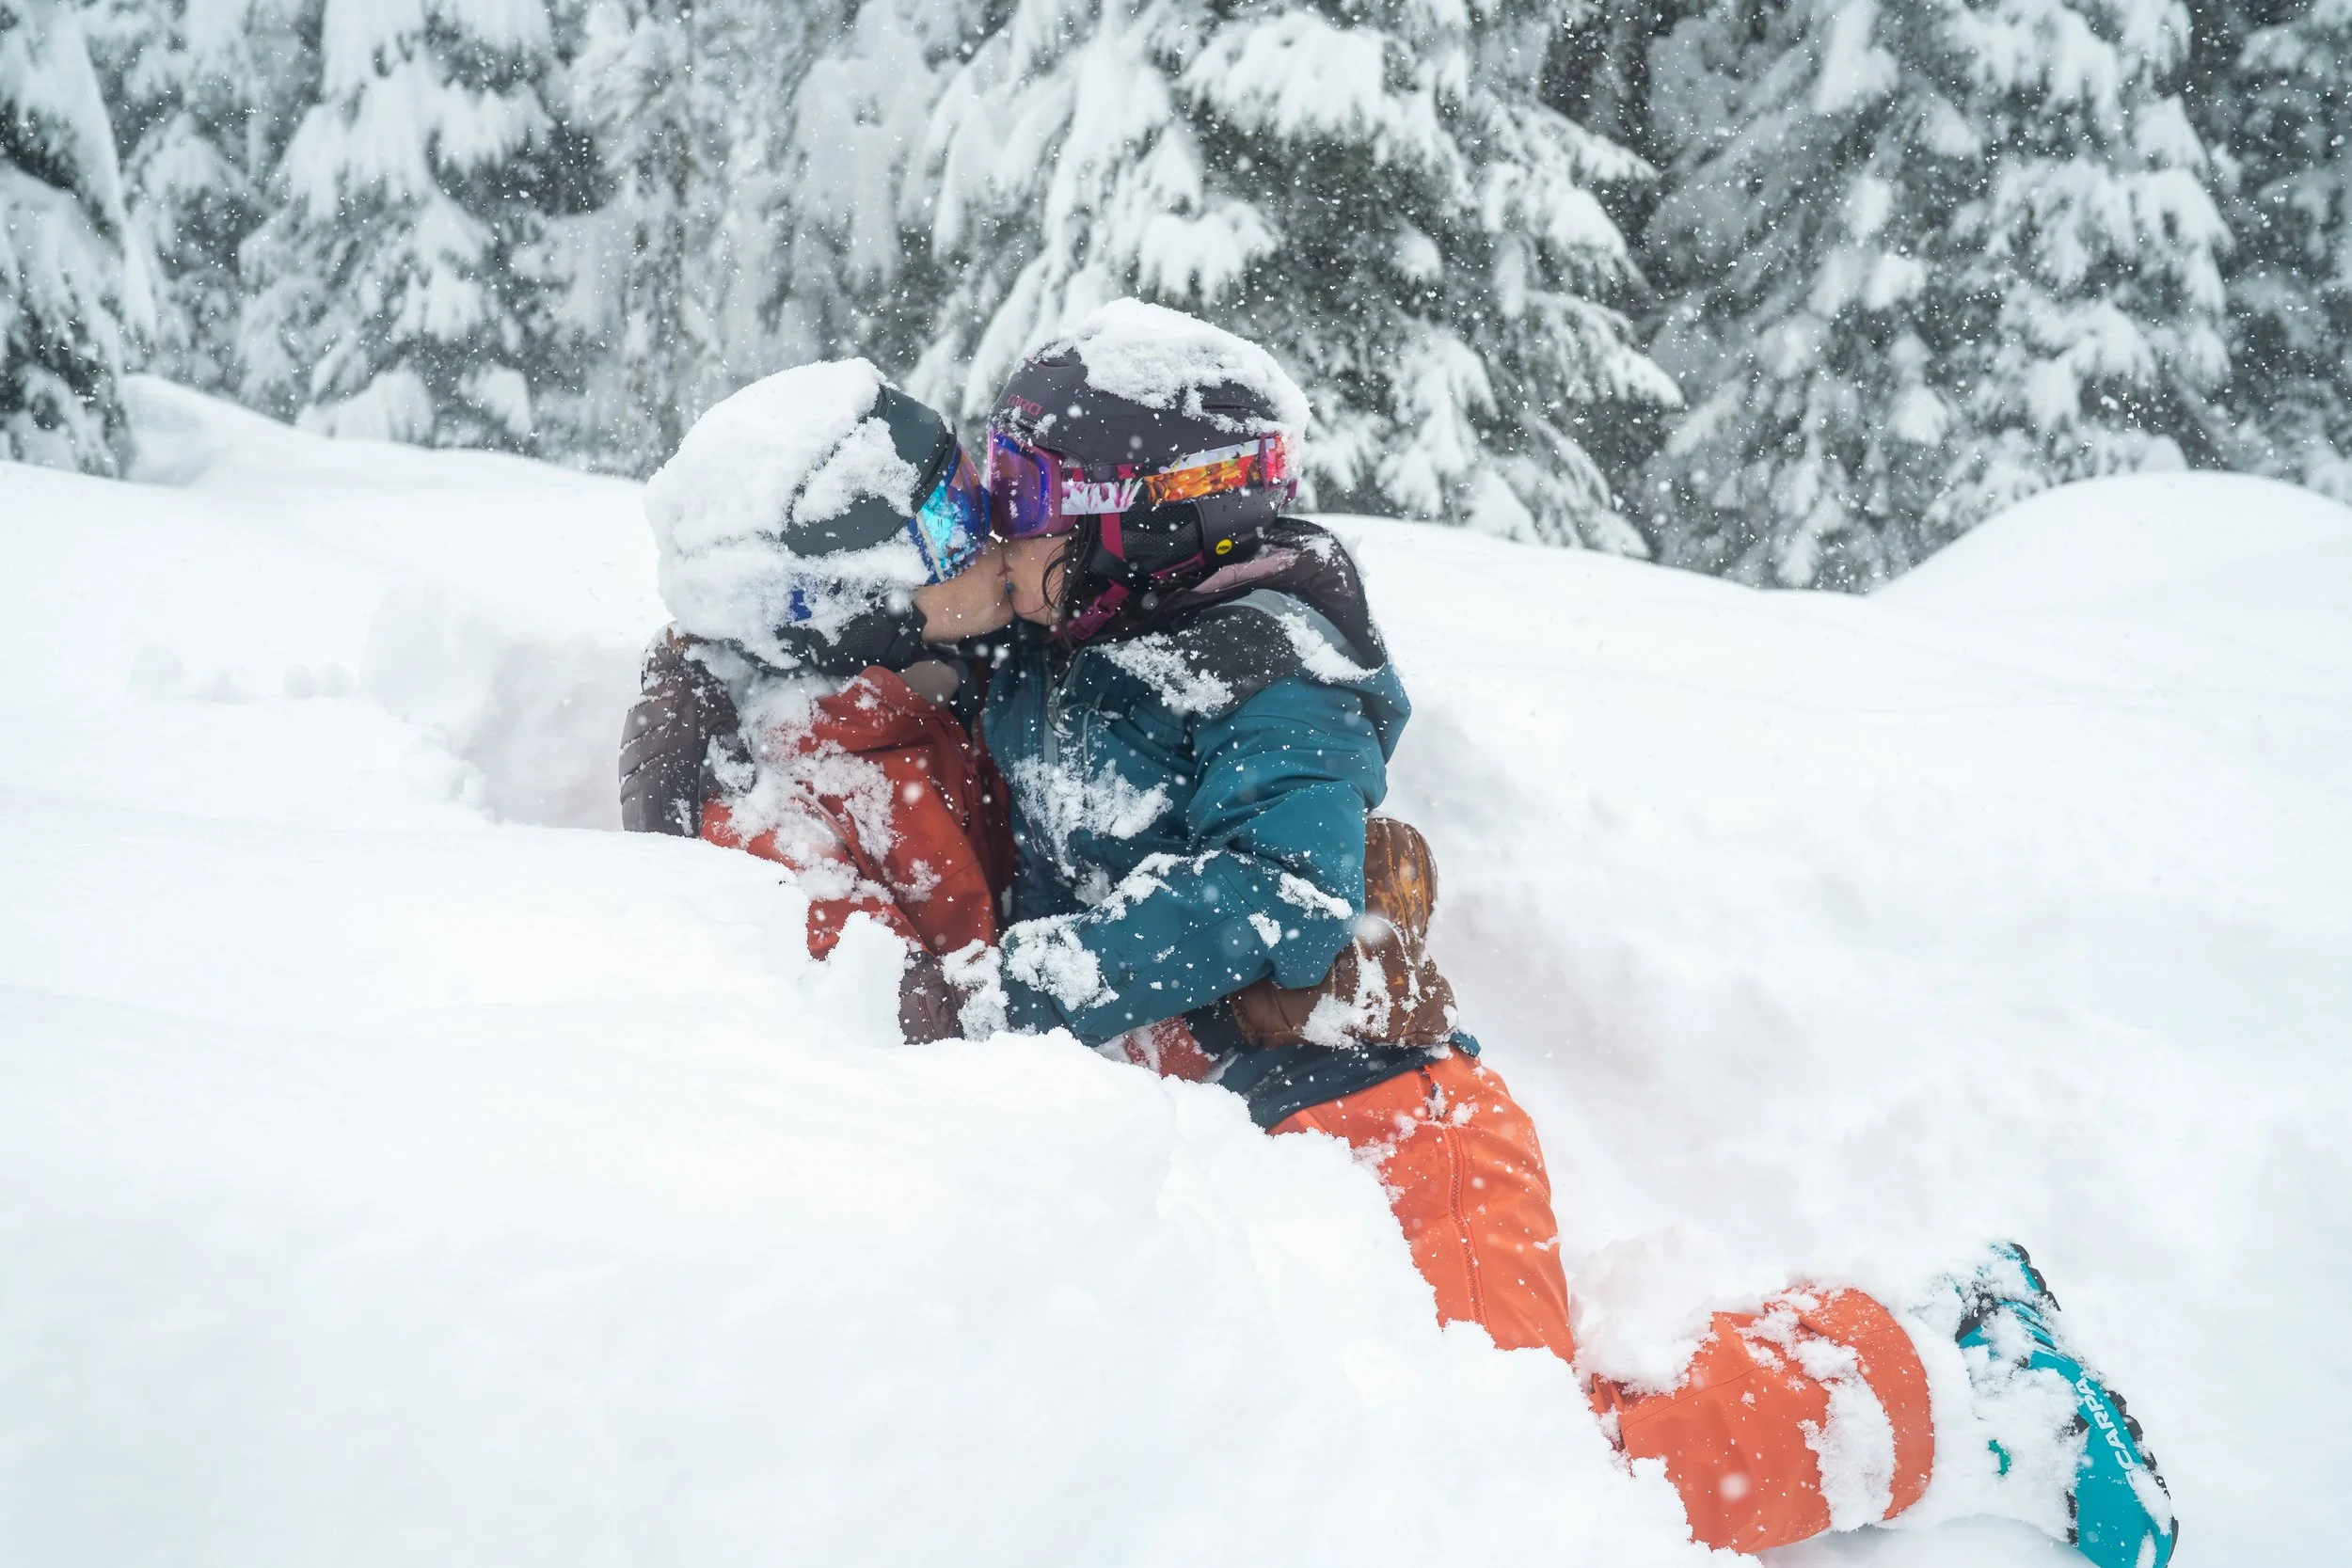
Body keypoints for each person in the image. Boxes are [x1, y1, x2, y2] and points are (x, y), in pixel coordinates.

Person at [921, 300, 2178, 1568]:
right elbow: (914, 638)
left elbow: (1283, 888)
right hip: (1262, 1169)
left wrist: (1025, 983)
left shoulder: (1280, 664)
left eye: (1024, 490)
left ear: (1148, 516)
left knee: (1546, 1492)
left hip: (1393, 1141)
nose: (993, 516)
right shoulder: (1064, 643)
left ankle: (1956, 1369)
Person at [618, 359, 1017, 990]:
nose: (991, 539)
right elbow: (937, 1049)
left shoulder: (943, 683)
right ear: (854, 610)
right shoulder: (782, 828)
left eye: (968, 488)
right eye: (949, 526)